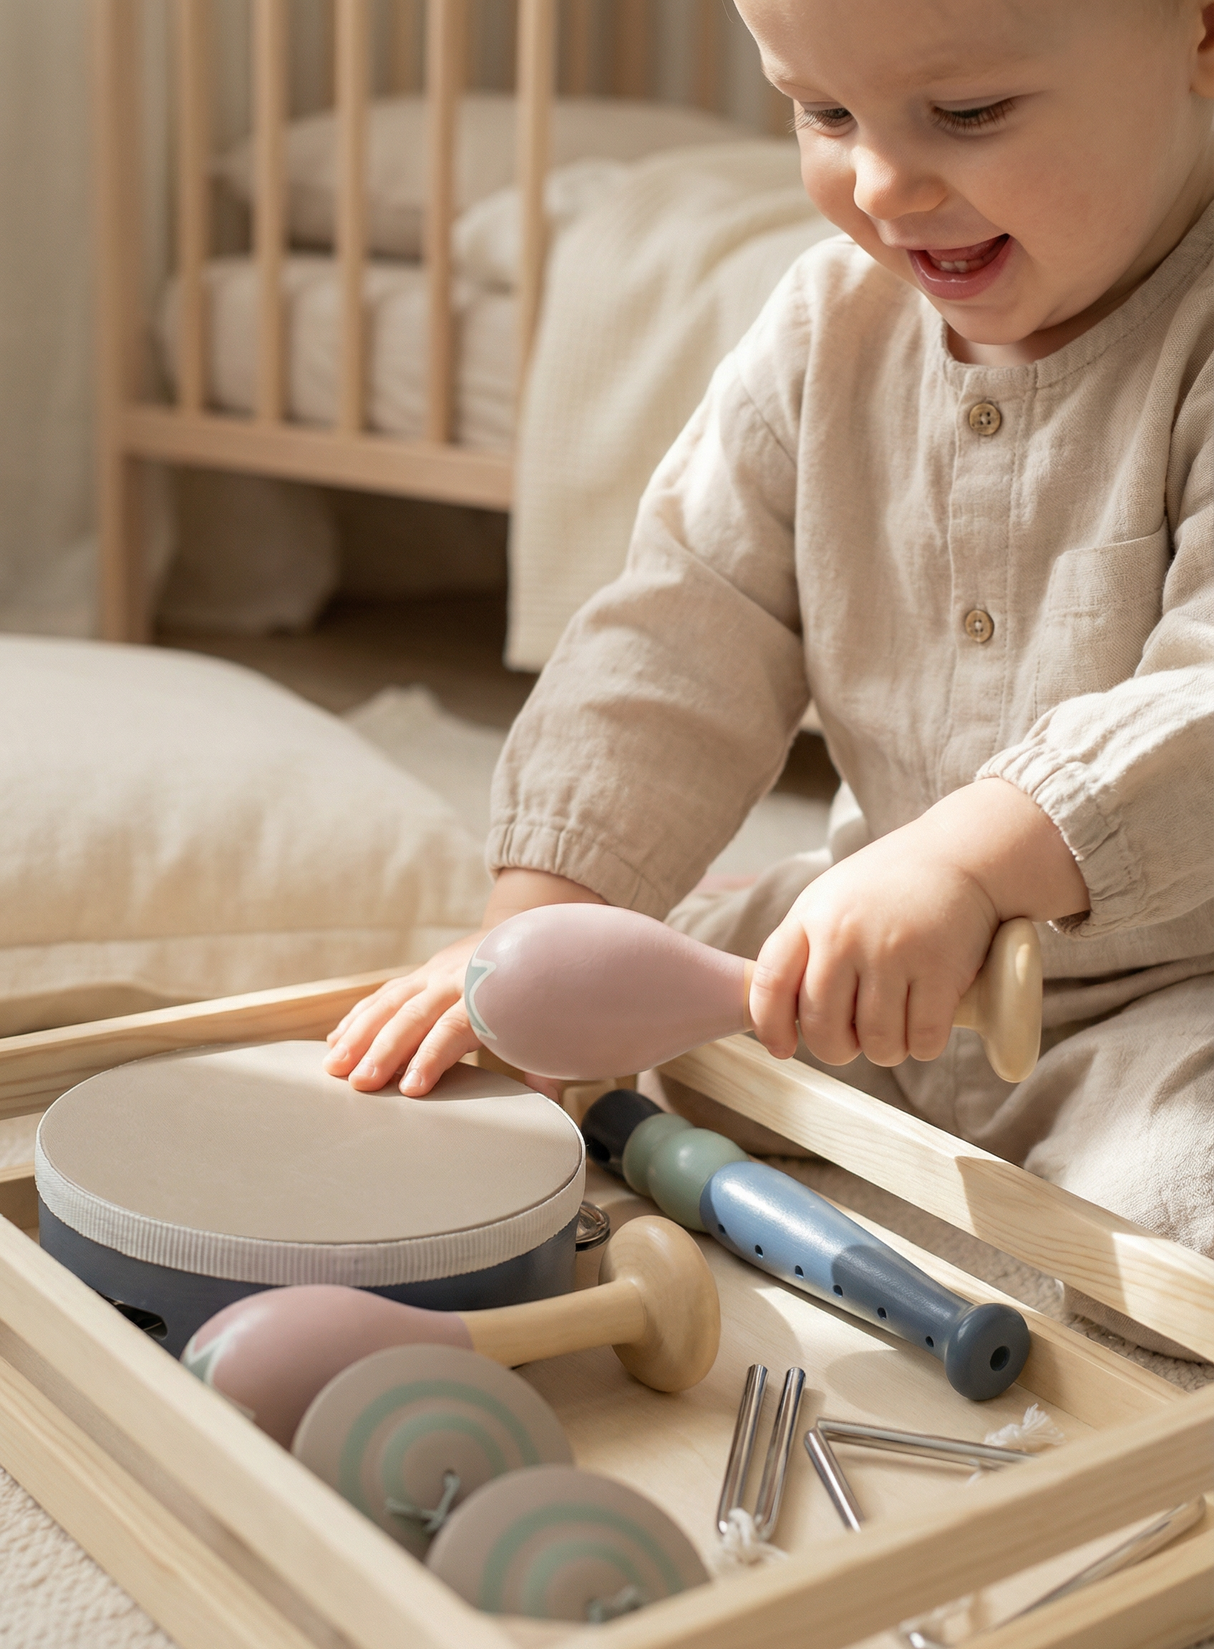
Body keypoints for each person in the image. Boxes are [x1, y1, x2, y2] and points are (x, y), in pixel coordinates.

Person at [328, 0, 1214, 1351]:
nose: (879, 184)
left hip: (1160, 1000)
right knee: (584, 1033)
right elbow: (675, 631)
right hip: (853, 961)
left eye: (966, 115)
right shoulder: (820, 329)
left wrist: (970, 863)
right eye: (823, 113)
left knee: (1179, 1210)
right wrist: (537, 929)